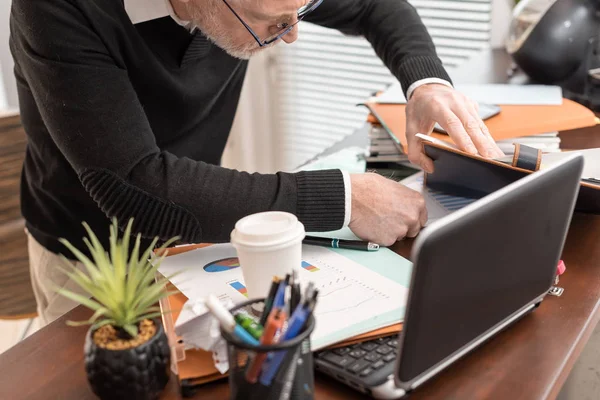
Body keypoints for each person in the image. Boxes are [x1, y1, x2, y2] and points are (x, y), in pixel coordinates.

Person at [9, 0, 504, 325]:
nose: (291, 35)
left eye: (302, 11)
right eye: (275, 23)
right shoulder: (55, 9)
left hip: (201, 228)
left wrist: (426, 83)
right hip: (89, 247)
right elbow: (134, 185)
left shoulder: (265, 0)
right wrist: (345, 198)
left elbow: (374, 6)